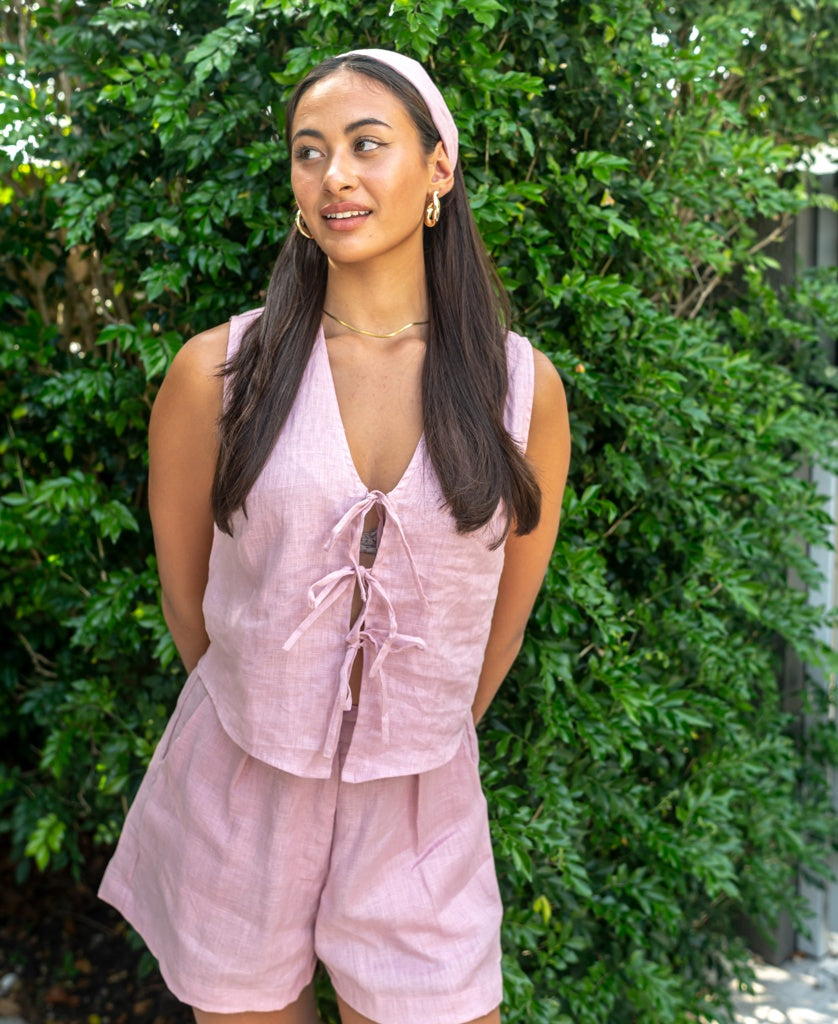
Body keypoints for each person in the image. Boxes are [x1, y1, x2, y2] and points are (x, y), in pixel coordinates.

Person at [99, 47, 570, 1024]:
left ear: (439, 168)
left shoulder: (521, 391)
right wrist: (271, 717)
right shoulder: (217, 374)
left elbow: (500, 624)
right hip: (242, 794)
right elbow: (189, 601)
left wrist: (405, 729)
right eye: (308, 153)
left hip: (418, 814)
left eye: (366, 145)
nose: (334, 176)